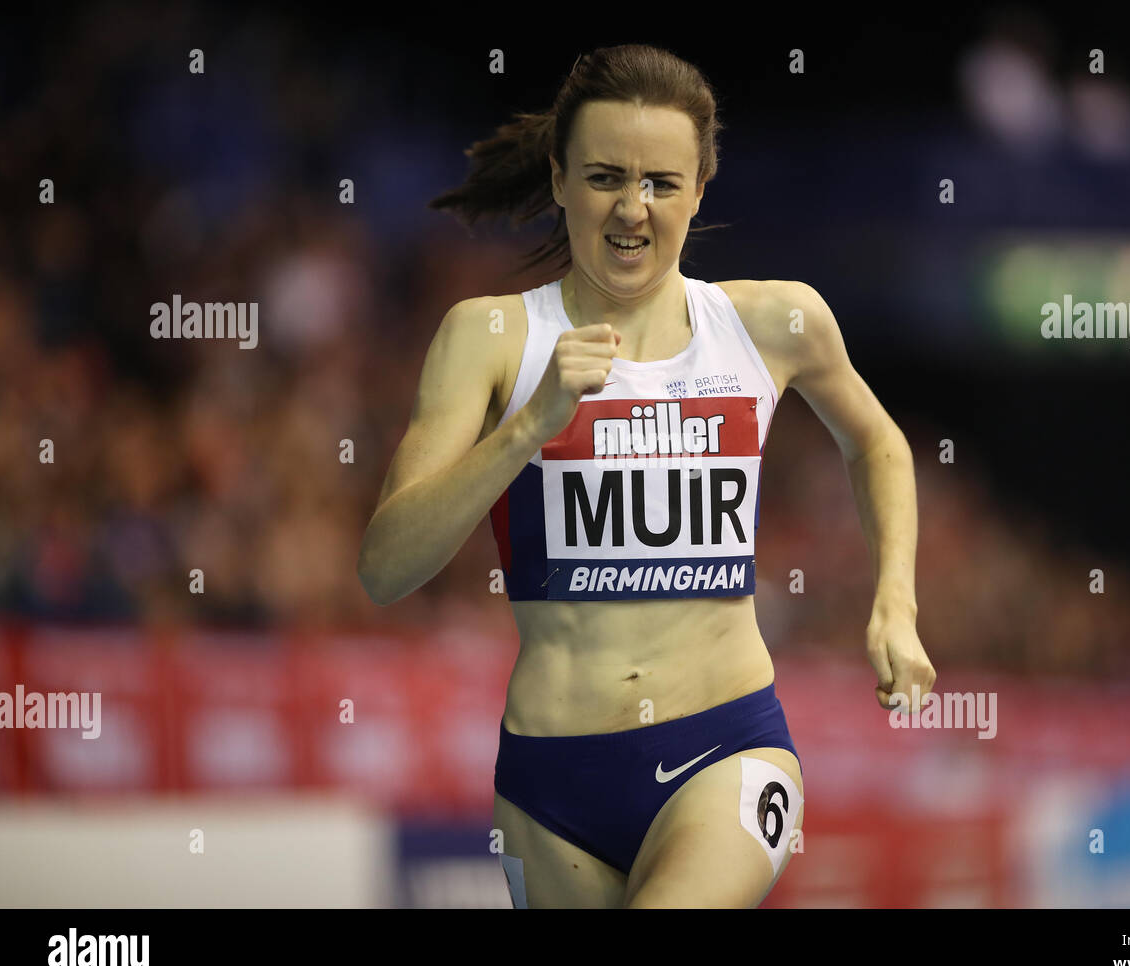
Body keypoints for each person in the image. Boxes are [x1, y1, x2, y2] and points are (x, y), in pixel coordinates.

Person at [358, 44, 936, 908]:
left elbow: (879, 444)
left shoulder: (775, 322)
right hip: (549, 783)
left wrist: (896, 598)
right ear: (558, 181)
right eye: (604, 178)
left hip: (728, 745)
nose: (633, 209)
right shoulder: (489, 339)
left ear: (701, 187)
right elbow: (384, 569)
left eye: (662, 183)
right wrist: (528, 429)